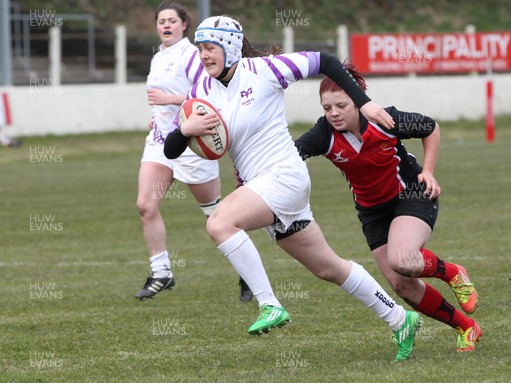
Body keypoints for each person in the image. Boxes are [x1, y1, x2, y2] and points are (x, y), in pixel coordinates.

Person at [164, 15, 422, 362]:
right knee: (329, 268)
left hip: (285, 176)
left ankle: (269, 304)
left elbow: (326, 61)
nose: (203, 56)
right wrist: (186, 128)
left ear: (229, 46)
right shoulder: (201, 93)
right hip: (261, 188)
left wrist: (364, 103)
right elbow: (170, 150)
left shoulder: (266, 70)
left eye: (209, 48)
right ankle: (399, 318)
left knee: (219, 223)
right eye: (199, 49)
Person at [294, 64, 482, 352]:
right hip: (372, 212)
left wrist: (428, 171)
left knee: (403, 259)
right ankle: (466, 326)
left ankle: (453, 272)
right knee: (402, 285)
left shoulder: (384, 119)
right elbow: (291, 155)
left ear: (359, 101)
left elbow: (429, 127)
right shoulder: (324, 134)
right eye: (327, 107)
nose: (334, 113)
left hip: (411, 193)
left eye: (342, 105)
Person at [135, 2, 252, 302]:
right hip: (160, 141)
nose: (166, 25)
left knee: (216, 216)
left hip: (191, 144)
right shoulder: (159, 57)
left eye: (172, 20)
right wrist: (157, 114)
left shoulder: (190, 54)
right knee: (146, 205)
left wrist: (167, 99)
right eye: (161, 20)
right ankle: (161, 272)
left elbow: (205, 90)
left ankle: (247, 273)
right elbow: (164, 101)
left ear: (184, 24)